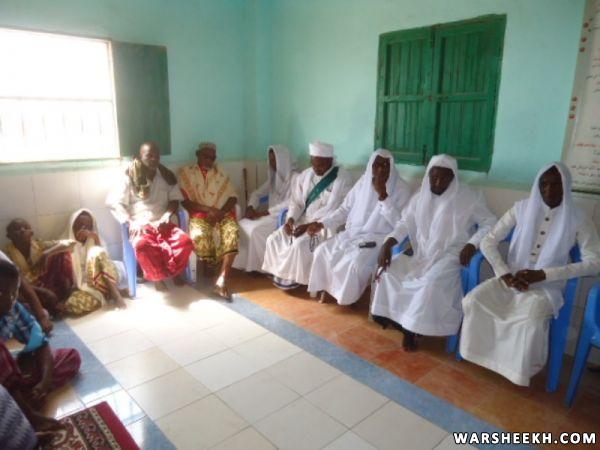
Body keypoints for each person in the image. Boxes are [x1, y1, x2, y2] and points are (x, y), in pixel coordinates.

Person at [460, 163, 600, 386]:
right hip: (509, 279)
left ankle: (515, 370)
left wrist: (544, 275)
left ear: (565, 186)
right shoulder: (521, 208)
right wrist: (504, 273)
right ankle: (483, 357)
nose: (549, 190)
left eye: (555, 184)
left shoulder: (578, 218)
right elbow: (488, 241)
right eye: (544, 184)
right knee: (472, 300)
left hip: (546, 287)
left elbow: (595, 263)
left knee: (530, 320)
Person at [370, 154, 496, 351]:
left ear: (453, 177)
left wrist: (472, 244)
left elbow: (490, 222)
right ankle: (399, 320)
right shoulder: (420, 196)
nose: (438, 182)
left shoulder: (469, 197)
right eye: (434, 177)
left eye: (444, 178)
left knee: (429, 284)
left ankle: (411, 330)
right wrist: (388, 243)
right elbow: (404, 223)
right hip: (421, 252)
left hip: (450, 254)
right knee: (388, 271)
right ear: (428, 175)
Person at [307, 149, 410, 305]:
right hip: (352, 233)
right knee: (322, 251)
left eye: (385, 165)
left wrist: (383, 195)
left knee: (355, 263)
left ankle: (346, 298)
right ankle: (327, 289)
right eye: (377, 165)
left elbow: (400, 223)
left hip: (379, 239)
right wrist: (322, 223)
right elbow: (344, 209)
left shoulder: (402, 189)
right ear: (371, 166)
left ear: (391, 167)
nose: (380, 169)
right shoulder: (363, 182)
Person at [0, 260, 80, 431]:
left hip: (8, 380)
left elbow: (40, 343)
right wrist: (32, 416)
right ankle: (20, 405)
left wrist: (44, 383)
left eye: (14, 293)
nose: (11, 299)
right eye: (2, 293)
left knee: (70, 357)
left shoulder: (12, 308)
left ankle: (22, 399)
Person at [262, 141, 353, 290]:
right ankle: (280, 275)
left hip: (322, 226)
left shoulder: (342, 178)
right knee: (273, 239)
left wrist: (308, 226)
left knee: (298, 245)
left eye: (320, 165)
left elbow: (337, 210)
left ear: (330, 161)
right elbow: (297, 202)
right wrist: (290, 220)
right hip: (301, 220)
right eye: (314, 164)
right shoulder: (305, 175)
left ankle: (295, 279)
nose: (316, 169)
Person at [107, 142, 194, 292]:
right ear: (139, 157)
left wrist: (167, 216)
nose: (154, 159)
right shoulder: (129, 176)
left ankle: (174, 272)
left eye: (157, 156)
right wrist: (131, 221)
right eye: (149, 156)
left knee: (185, 242)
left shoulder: (166, 176)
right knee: (143, 245)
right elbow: (115, 203)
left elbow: (174, 200)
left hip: (162, 222)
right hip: (141, 224)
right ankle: (157, 278)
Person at [179, 142, 239, 300]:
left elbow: (233, 197)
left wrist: (220, 213)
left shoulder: (221, 173)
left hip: (222, 214)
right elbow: (185, 202)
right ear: (197, 155)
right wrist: (209, 210)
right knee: (200, 235)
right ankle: (212, 269)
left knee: (232, 232)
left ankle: (222, 279)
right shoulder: (187, 173)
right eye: (206, 157)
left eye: (212, 158)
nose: (209, 161)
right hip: (200, 215)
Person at [233, 145, 298, 274]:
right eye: (270, 160)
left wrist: (264, 213)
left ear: (283, 160)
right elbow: (257, 194)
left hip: (283, 217)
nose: (272, 163)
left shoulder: (296, 178)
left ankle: (259, 267)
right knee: (241, 224)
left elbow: (292, 202)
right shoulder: (274, 178)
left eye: (274, 160)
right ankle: (245, 264)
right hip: (268, 215)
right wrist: (251, 207)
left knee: (255, 230)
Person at [63, 209, 128, 313]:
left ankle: (116, 295)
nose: (83, 229)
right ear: (72, 226)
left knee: (97, 251)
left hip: (104, 279)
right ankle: (108, 294)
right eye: (79, 225)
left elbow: (105, 262)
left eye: (87, 227)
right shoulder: (64, 244)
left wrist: (95, 238)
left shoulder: (96, 239)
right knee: (72, 304)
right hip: (86, 287)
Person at [5, 219, 74, 317]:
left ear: (31, 233)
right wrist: (43, 291)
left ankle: (62, 302)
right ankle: (48, 309)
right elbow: (13, 282)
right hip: (27, 290)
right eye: (16, 229)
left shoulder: (39, 245)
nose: (22, 230)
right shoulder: (6, 254)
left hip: (47, 284)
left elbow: (70, 243)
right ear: (9, 236)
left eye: (25, 227)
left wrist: (47, 253)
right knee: (15, 294)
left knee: (62, 253)